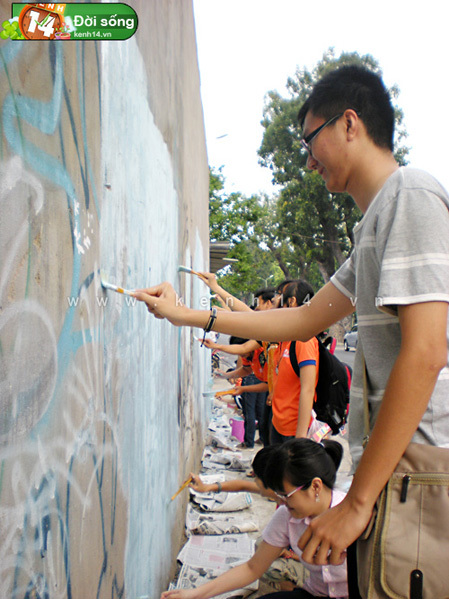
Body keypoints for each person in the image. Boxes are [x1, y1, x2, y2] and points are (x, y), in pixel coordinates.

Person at [136, 64, 449, 581]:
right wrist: (183, 314)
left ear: (349, 123)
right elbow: (301, 318)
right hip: (397, 469)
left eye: (310, 140)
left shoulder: (410, 195)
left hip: (423, 469)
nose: (308, 161)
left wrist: (356, 502)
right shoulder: (373, 225)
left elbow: (427, 352)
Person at [161, 438, 348, 599]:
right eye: (278, 494)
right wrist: (195, 594)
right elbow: (252, 568)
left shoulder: (351, 516)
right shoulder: (287, 515)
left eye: (286, 495)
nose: (282, 501)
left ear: (315, 487)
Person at [269, 280, 319, 444]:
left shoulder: (304, 340)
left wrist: (300, 437)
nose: (276, 300)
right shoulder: (285, 336)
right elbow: (253, 319)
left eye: (281, 297)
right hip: (278, 423)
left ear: (291, 302)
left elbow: (308, 389)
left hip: (293, 431)